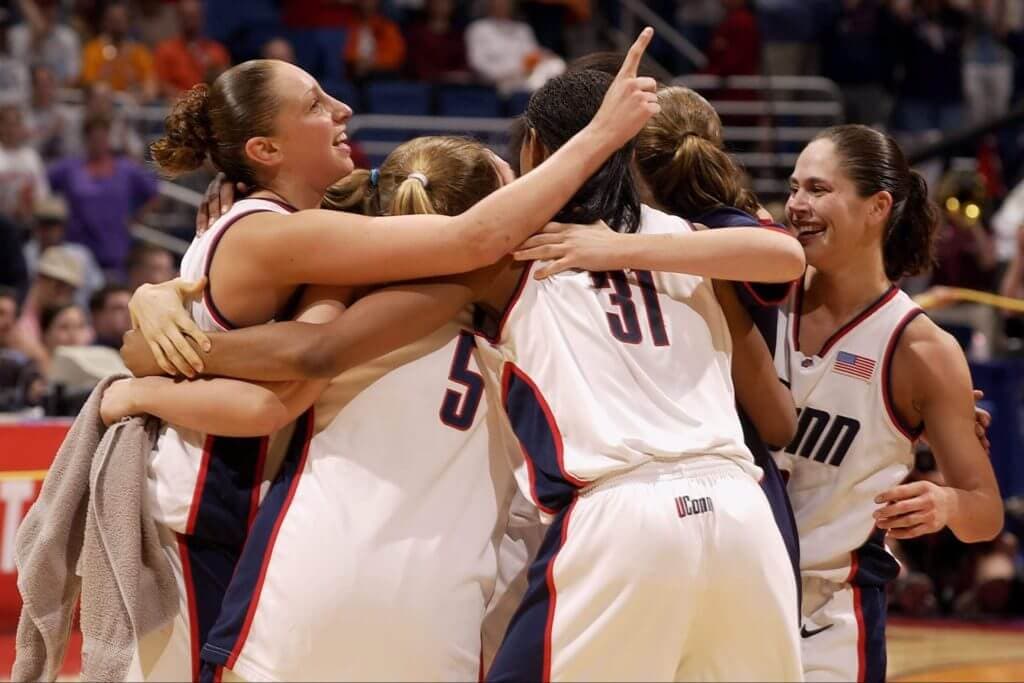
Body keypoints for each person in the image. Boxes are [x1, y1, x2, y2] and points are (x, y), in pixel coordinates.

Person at [123, 66, 804, 682]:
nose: (341, 109)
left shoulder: (497, 265)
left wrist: (152, 350)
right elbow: (781, 267)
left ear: (535, 152)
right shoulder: (689, 245)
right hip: (737, 511)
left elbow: (313, 352)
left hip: (599, 517)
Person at [529, 123, 1005, 682]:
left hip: (824, 610)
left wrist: (946, 506)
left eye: (819, 190)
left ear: (878, 206)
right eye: (795, 186)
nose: (797, 204)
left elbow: (985, 512)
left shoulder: (920, 349)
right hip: (718, 580)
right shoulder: (752, 281)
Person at [111, 136, 525, 681]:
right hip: (445, 602)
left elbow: (302, 360)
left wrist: (155, 336)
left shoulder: (337, 291)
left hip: (302, 580)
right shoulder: (524, 300)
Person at [48, 113, 160, 280]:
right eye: (94, 138)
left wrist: (136, 218)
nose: (98, 143)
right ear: (86, 139)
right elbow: (42, 184)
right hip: (77, 248)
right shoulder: (70, 168)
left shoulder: (126, 169)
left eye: (102, 138)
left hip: (114, 249)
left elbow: (154, 193)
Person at [153, 0, 231, 98]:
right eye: (185, 16)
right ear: (178, 17)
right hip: (175, 106)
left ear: (201, 17)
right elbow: (161, 85)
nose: (189, 21)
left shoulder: (217, 51)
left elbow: (226, 84)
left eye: (193, 16)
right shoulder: (165, 50)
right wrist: (188, 100)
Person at [89, 284, 131, 348]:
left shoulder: (144, 351)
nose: (128, 314)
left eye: (131, 307)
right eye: (119, 308)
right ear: (97, 317)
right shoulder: (86, 355)